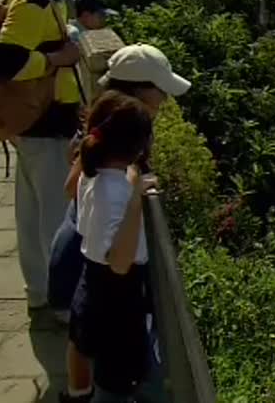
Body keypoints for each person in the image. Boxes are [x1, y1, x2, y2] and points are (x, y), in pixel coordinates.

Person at [50, 44, 191, 403]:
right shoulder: (114, 146)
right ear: (137, 92)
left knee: (83, 340)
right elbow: (118, 259)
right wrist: (132, 195)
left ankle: (77, 395)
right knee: (112, 371)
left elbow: (74, 188)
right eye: (159, 91)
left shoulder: (103, 132)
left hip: (83, 261)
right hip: (94, 268)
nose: (164, 100)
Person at [0, 0, 94, 314]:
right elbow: (3, 61)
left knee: (32, 217)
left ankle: (39, 291)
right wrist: (56, 59)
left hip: (38, 123)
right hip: (45, 127)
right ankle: (63, 304)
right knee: (56, 220)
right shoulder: (33, 2)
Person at [70, 90, 164, 402]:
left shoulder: (91, 175)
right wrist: (135, 197)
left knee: (107, 379)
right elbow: (120, 262)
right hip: (118, 304)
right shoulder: (117, 193)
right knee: (115, 388)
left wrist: (132, 184)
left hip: (92, 287)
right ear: (139, 147)